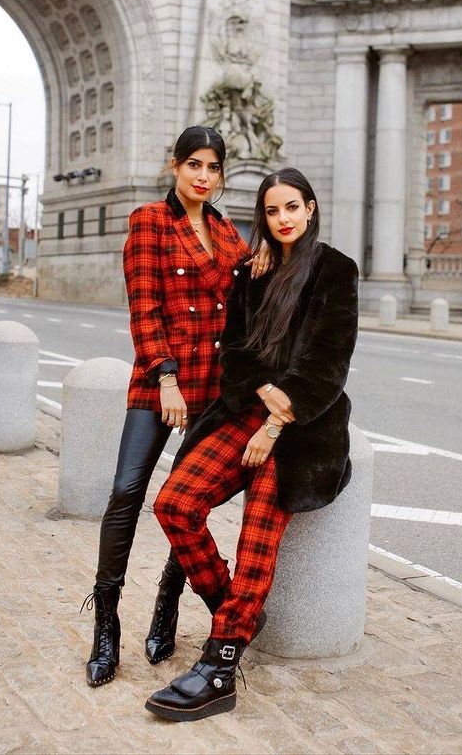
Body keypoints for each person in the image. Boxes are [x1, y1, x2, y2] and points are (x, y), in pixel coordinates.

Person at [145, 167, 359, 722]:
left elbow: (327, 365)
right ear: (262, 217)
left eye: (292, 208)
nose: (283, 219)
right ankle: (234, 614)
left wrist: (274, 425)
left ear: (310, 209)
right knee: (175, 504)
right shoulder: (252, 271)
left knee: (257, 534)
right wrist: (261, 402)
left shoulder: (336, 270)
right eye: (271, 211)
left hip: (304, 427)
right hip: (246, 411)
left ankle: (219, 668)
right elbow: (235, 355)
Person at [83, 125, 268, 688]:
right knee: (127, 490)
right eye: (194, 165)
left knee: (185, 502)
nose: (203, 177)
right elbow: (145, 308)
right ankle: (106, 624)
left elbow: (246, 298)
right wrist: (165, 379)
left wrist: (260, 266)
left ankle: (167, 606)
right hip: (160, 381)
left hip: (212, 388)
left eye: (213, 169)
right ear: (175, 166)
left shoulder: (227, 233)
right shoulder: (148, 221)